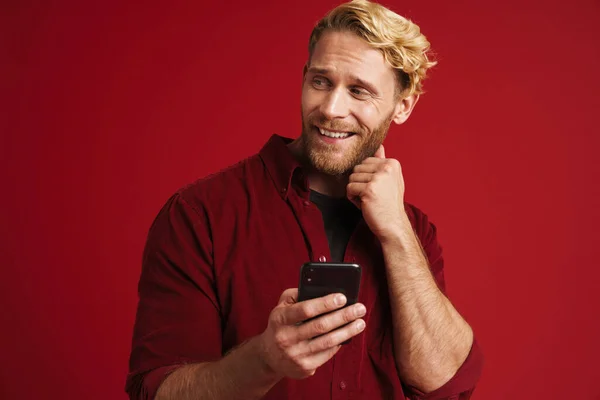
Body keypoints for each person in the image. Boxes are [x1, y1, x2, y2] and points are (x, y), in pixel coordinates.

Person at [126, 1, 484, 399]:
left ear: (403, 106)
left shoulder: (413, 230)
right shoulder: (199, 215)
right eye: (320, 82)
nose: (331, 109)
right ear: (303, 78)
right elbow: (157, 392)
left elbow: (446, 383)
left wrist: (396, 231)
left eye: (358, 91)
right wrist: (264, 359)